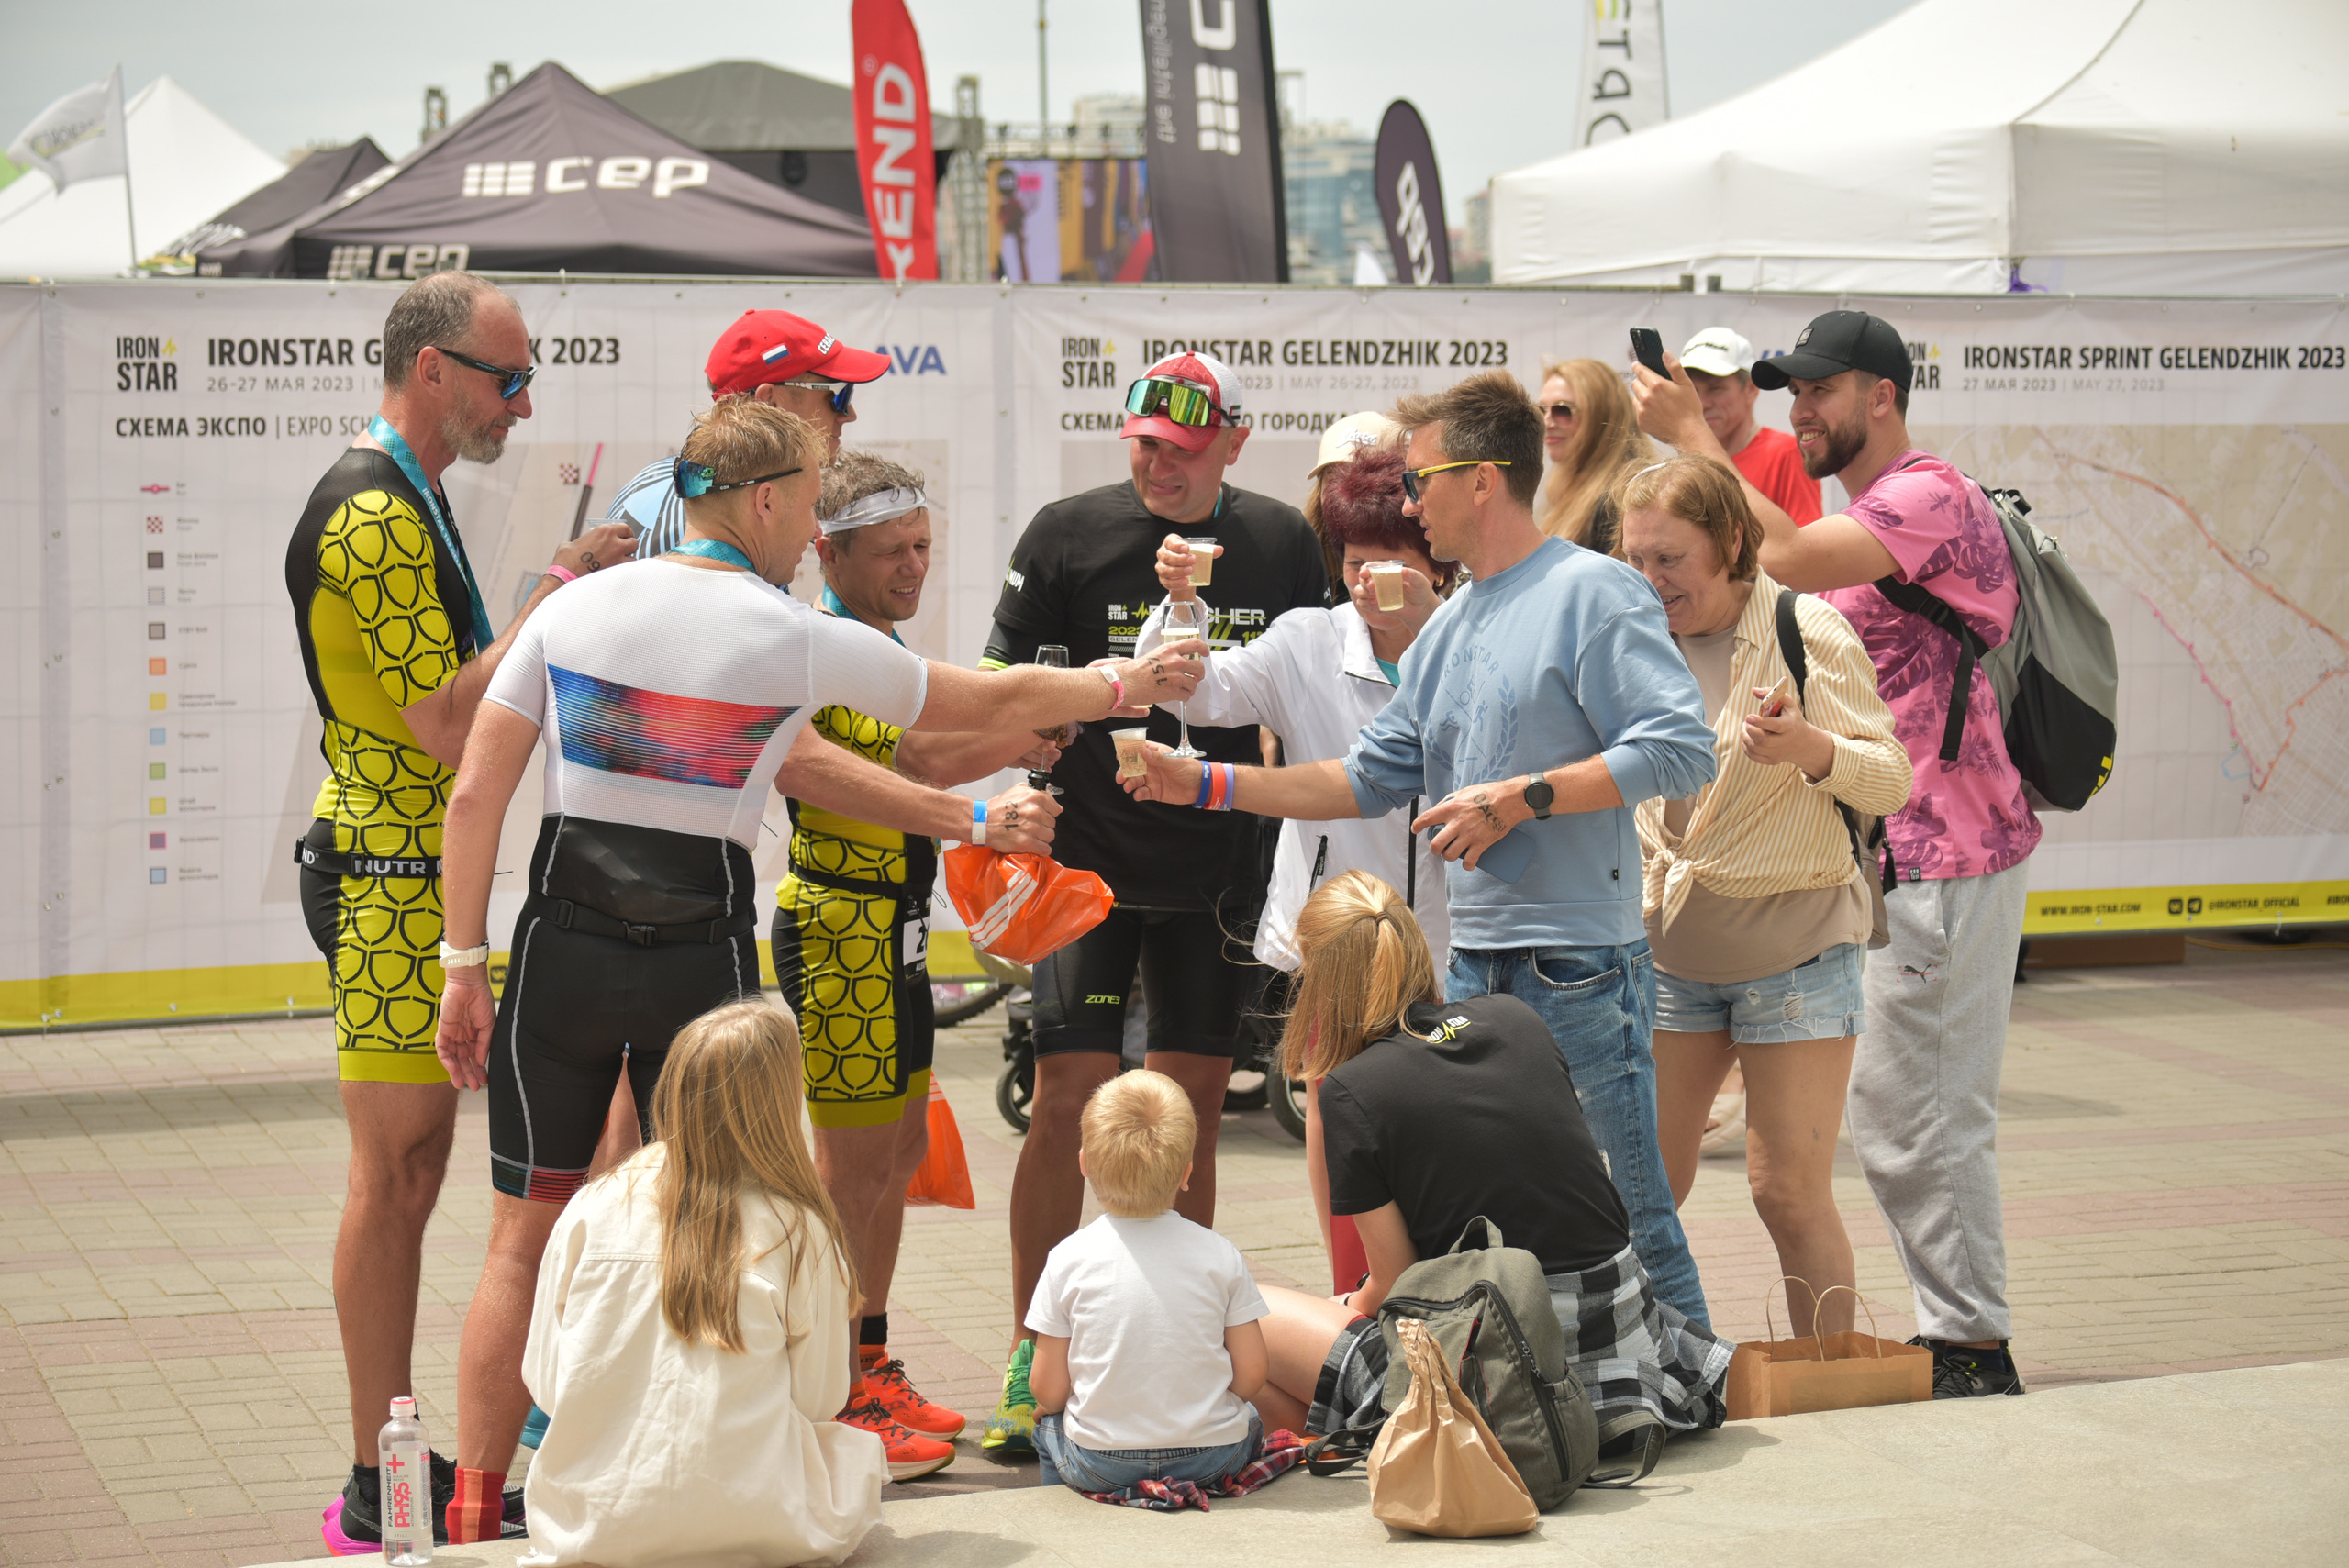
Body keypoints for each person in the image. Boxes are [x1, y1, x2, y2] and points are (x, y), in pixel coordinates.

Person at [429, 398, 1207, 1538]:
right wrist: (1118, 688)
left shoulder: (577, 606)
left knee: (521, 1232)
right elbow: (979, 701)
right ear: (761, 500)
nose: (810, 527)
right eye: (807, 497)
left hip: (560, 944)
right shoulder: (781, 630)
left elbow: (473, 793)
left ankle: (468, 1509)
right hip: (696, 955)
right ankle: (681, 1482)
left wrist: (462, 966)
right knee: (707, 1228)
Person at [1121, 371, 1720, 1328]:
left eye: (1421, 479)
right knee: (1499, 1210)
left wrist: (1523, 798)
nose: (1408, 500)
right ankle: (1562, 1391)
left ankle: (1695, 1380)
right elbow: (1364, 776)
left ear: (1482, 480)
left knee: (1631, 1208)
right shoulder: (1455, 625)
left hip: (1578, 962)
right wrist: (1203, 783)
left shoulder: (1590, 590)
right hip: (1474, 964)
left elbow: (1681, 747)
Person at [286, 270, 638, 1552]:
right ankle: (382, 1472)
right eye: (507, 377)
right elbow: (443, 718)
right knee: (396, 1176)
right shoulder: (373, 511)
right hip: (385, 874)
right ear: (431, 369)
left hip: (401, 860)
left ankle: (398, 1454)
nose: (523, 402)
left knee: (422, 1170)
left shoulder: (406, 492)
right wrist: (559, 588)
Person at [1634, 308, 2043, 1397]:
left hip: (1949, 850)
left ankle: (1970, 1346)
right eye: (1794, 391)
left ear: (1883, 395)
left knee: (1927, 1112)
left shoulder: (1927, 492)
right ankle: (1942, 1334)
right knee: (1889, 1117)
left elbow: (1788, 553)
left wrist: (1693, 436)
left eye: (1822, 389)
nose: (1800, 409)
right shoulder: (1868, 504)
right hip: (1881, 861)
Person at [975, 350, 1328, 1451]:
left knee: (1186, 1112)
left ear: (1231, 442)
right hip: (1087, 865)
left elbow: (1315, 682)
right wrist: (1023, 783)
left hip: (1219, 864)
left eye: (1177, 450)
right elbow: (1007, 684)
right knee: (1068, 1097)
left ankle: (1179, 1347)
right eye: (1138, 444)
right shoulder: (1066, 531)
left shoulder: (1278, 540)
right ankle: (1033, 1361)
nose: (1154, 465)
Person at [776, 449, 1069, 1459]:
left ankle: (868, 1360)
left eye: (924, 546)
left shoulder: (878, 637)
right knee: (846, 1174)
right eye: (892, 550)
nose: (914, 566)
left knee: (893, 1157)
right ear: (830, 551)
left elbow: (929, 753)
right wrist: (1020, 737)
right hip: (838, 923)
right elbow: (915, 763)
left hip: (889, 923)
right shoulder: (822, 640)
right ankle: (826, 1385)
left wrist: (1023, 730)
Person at [1241, 873, 1731, 1447]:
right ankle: (1363, 1434)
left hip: (1504, 1367)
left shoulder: (1352, 1092)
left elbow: (1394, 1286)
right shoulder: (1513, 1017)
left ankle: (1383, 1440)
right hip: (1622, 1342)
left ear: (1321, 982)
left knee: (1244, 1322)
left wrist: (1344, 1302)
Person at [1135, 446, 1453, 1296]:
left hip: (1461, 944)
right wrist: (1180, 605)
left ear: (1441, 565)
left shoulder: (1477, 643)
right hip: (1334, 944)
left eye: (1395, 564)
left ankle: (1440, 1315)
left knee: (1443, 1143)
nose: (1368, 584)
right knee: (1342, 1129)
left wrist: (1433, 635)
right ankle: (1359, 1311)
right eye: (1353, 563)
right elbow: (1190, 695)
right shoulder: (1305, 639)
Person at [1616, 456, 1911, 1340]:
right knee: (1642, 1191)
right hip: (1668, 954)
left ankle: (1830, 1381)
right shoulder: (1629, 634)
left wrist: (1814, 747)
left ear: (1733, 544)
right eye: (1635, 558)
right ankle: (1655, 1371)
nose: (1651, 580)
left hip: (1796, 951)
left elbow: (1891, 778)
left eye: (1670, 558)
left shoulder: (1803, 626)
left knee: (1785, 1190)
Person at [518, 1000, 887, 1567]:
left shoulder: (592, 1205)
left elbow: (544, 1382)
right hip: (756, 1525)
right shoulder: (799, 1227)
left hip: (591, 1527)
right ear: (780, 1102)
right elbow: (821, 1400)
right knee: (857, 1454)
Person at [1027, 1070, 1273, 1496]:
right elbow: (1251, 1375)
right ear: (1186, 1173)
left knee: (1047, 1425)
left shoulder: (1067, 1257)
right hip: (1211, 1459)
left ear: (1084, 1164)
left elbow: (1048, 1389)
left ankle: (1060, 1509)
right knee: (1248, 1416)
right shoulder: (1219, 1253)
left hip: (1102, 1462)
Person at [605, 308, 887, 558]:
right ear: (771, 403)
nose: (849, 414)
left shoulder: (659, 478)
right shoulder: (739, 520)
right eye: (838, 395)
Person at [1679, 328, 1822, 526]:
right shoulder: (1687, 461)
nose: (1703, 403)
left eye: (1715, 389)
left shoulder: (1785, 453)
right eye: (1694, 390)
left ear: (1750, 390)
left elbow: (1807, 546)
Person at [1533, 356, 1654, 553]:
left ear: (1601, 416)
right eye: (1541, 410)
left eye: (1562, 411)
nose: (1547, 422)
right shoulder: (1567, 489)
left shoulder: (1617, 502)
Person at [1299, 409, 1397, 590]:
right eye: (1334, 477)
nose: (1346, 492)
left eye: (1363, 479)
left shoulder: (1429, 559)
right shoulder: (1300, 557)